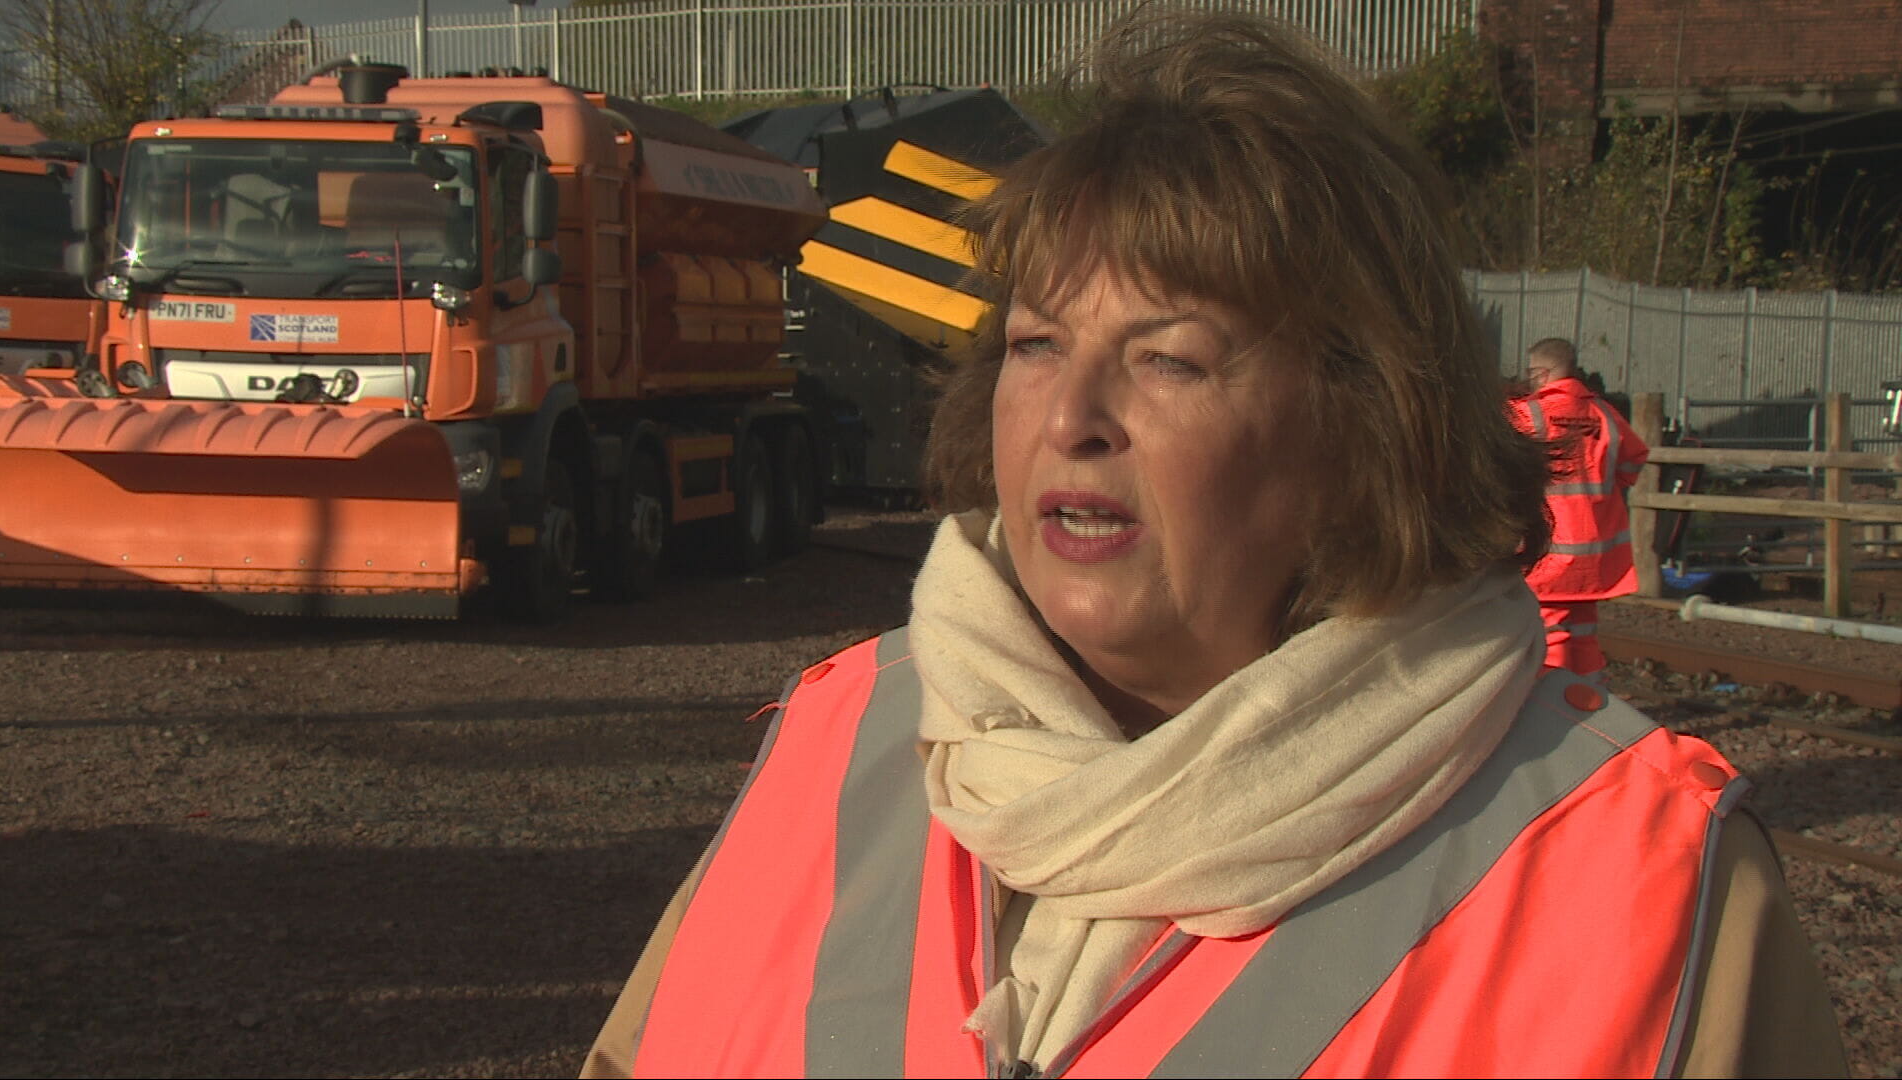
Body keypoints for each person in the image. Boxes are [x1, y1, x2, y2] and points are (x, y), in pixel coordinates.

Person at [582, 10, 1844, 1078]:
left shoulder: (1644, 881)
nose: (1071, 421)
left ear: (1365, 418)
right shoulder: (839, 742)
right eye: (1035, 345)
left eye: (1167, 359)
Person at [1511, 337, 1651, 684]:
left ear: (1541, 373)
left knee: (1551, 629)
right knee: (1583, 631)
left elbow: (1497, 465)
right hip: (1597, 554)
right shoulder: (1603, 414)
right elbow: (1633, 460)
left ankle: (1555, 703)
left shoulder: (1528, 415)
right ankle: (1590, 697)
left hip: (1550, 551)